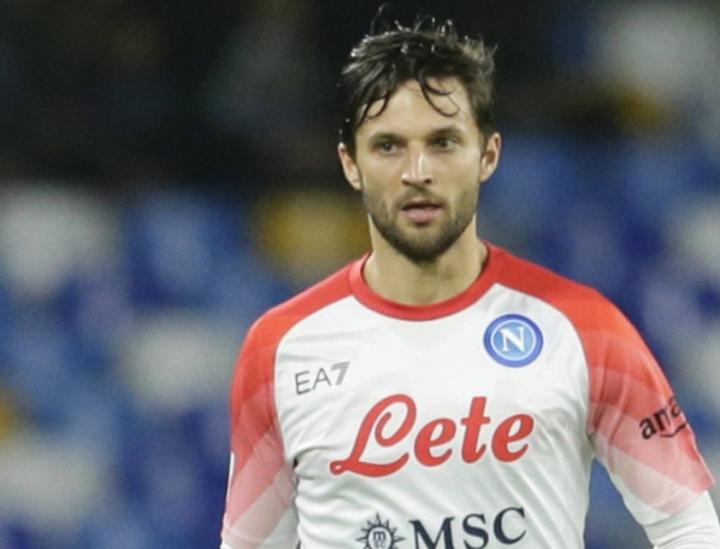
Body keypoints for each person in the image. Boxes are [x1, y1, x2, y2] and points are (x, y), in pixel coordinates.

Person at [220, 16, 719, 549]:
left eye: (443, 142)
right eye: (388, 146)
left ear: (488, 154)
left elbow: (687, 527)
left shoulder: (584, 327)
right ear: (350, 164)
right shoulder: (281, 347)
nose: (417, 171)